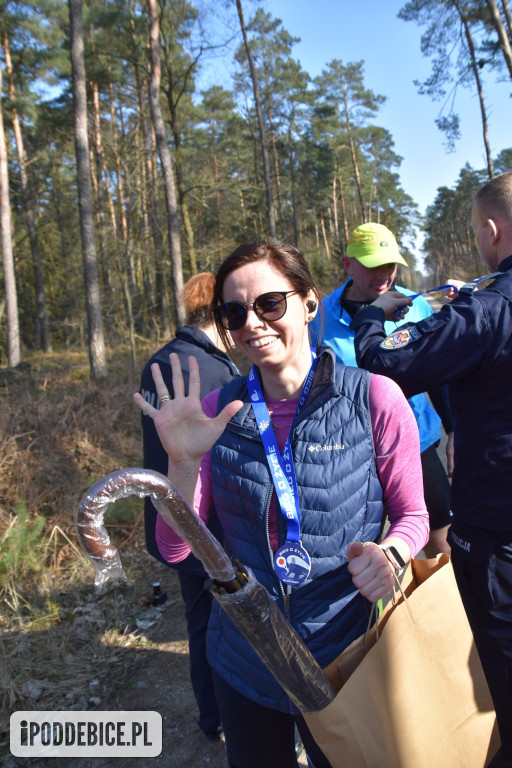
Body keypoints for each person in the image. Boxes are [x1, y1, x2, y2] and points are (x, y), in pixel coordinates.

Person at [134, 239, 429, 768]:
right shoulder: (214, 412)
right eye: (234, 312)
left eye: (270, 303)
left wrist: (391, 554)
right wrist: (179, 466)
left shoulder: (375, 399)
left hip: (344, 653)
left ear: (309, 302)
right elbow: (175, 551)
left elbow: (414, 518)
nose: (252, 323)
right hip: (244, 659)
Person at [351, 172, 512, 767]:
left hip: (498, 532)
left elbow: (384, 363)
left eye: (476, 233)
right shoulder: (482, 301)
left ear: (492, 230)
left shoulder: (488, 306)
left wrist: (375, 315)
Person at [311, 222, 454, 556]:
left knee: (440, 538)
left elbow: (436, 375)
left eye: (389, 264)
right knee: (362, 550)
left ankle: (443, 604)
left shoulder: (415, 307)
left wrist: (453, 428)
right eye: (372, 264)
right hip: (353, 452)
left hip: (417, 442)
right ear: (348, 264)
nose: (384, 274)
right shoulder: (318, 320)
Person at [139, 272, 239, 742]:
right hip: (211, 525)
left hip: (171, 518)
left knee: (198, 621)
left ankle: (209, 717)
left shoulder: (160, 361)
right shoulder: (216, 373)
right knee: (224, 625)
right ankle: (228, 714)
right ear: (218, 313)